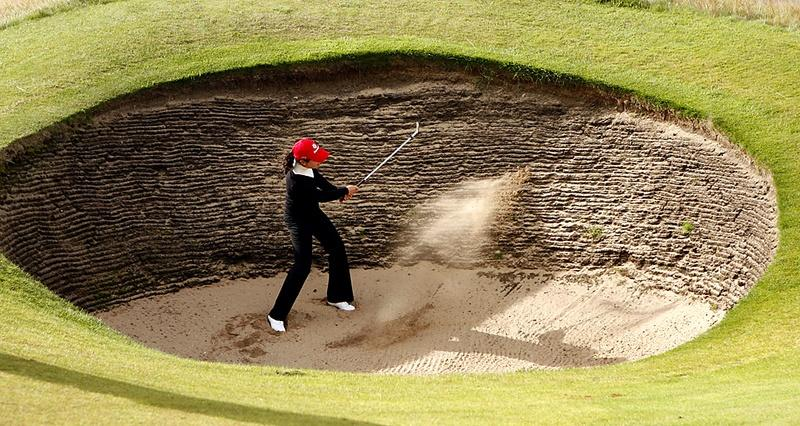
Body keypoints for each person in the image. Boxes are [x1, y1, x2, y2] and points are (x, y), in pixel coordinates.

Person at [267, 138, 359, 333]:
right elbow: (319, 196)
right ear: (303, 161)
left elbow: (323, 185)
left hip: (313, 214)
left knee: (336, 248)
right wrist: (343, 191)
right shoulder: (295, 181)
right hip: (298, 221)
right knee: (302, 266)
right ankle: (276, 314)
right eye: (316, 159)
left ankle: (337, 296)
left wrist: (340, 193)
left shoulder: (308, 168)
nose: (321, 161)